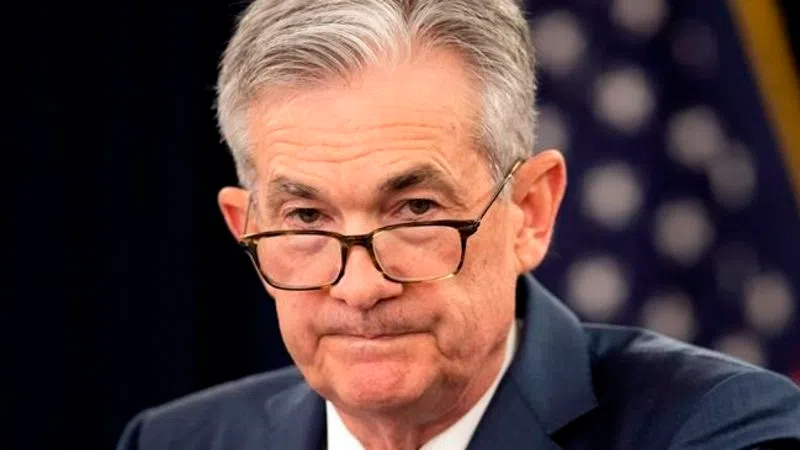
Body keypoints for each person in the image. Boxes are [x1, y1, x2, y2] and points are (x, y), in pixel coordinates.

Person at [117, 0, 800, 448]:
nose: (359, 288)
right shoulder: (175, 442)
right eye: (306, 217)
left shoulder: (722, 430)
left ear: (530, 211)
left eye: (415, 210)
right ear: (245, 228)